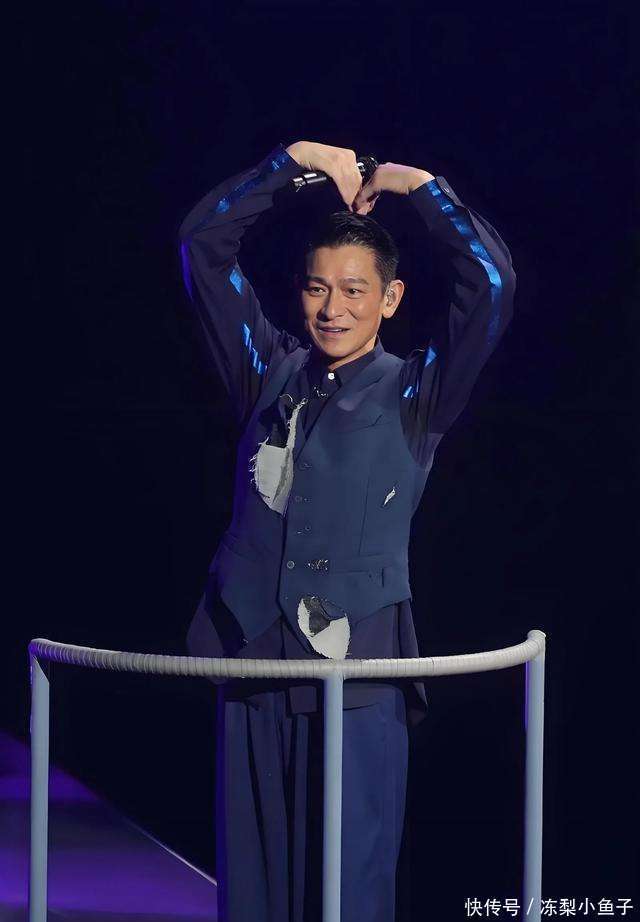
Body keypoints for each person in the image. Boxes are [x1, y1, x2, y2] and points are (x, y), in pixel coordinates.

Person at [178, 140, 516, 922]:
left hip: (358, 670)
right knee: (254, 890)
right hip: (252, 654)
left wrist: (420, 187)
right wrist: (291, 164)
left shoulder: (417, 392)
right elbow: (202, 244)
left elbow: (492, 284)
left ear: (390, 299)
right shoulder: (266, 371)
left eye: (355, 291)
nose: (332, 309)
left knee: (349, 890)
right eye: (317, 288)